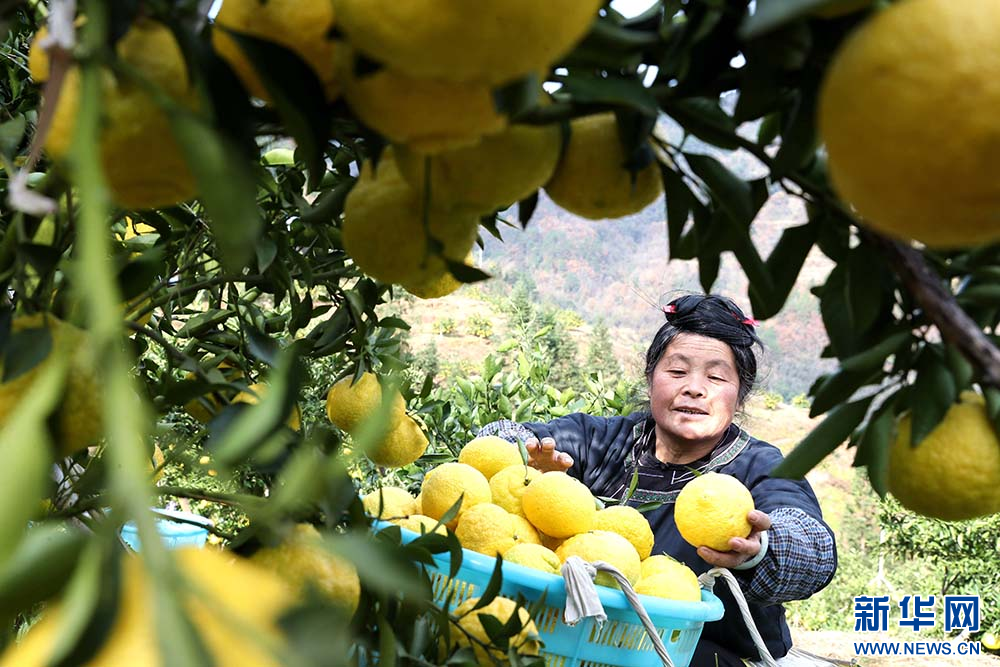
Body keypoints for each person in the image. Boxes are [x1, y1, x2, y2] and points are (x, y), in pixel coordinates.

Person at [477, 293, 837, 666]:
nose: (694, 388)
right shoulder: (602, 441)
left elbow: (814, 549)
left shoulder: (760, 467)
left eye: (715, 377)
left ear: (740, 395)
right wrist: (526, 466)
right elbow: (498, 437)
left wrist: (758, 549)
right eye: (677, 372)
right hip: (583, 644)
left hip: (712, 656)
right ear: (650, 380)